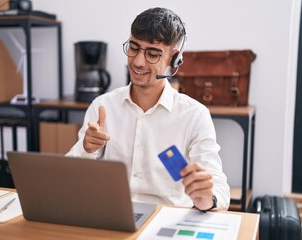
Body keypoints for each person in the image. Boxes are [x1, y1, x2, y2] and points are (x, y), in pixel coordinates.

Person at [66, 7, 230, 211]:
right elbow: (71, 175)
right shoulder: (103, 106)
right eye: (134, 48)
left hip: (165, 218)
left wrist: (207, 198)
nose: (137, 62)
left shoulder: (195, 115)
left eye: (152, 54)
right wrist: (86, 148)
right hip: (112, 214)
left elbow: (220, 189)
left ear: (174, 59)